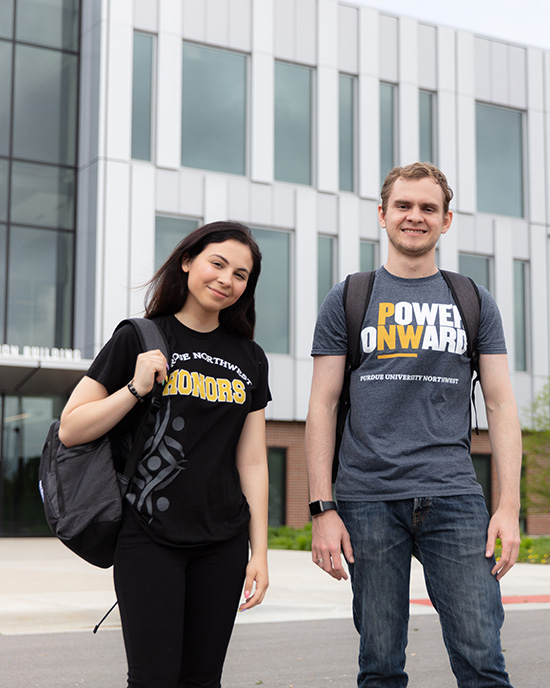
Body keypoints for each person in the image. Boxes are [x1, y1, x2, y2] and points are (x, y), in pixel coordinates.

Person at [305, 163, 522, 688]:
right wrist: (321, 509)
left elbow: (500, 404)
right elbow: (322, 407)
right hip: (368, 499)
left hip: (454, 496)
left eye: (429, 208)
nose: (415, 216)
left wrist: (510, 507)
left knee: (482, 659)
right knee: (379, 664)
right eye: (404, 205)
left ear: (446, 221)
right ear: (382, 215)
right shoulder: (349, 297)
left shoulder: (473, 299)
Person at [59, 221, 271, 688]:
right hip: (149, 536)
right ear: (187, 261)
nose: (227, 279)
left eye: (241, 275)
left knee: (203, 679)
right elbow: (72, 428)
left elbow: (253, 460)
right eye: (218, 263)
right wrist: (134, 388)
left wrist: (260, 551)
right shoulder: (139, 337)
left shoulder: (251, 357)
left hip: (224, 542)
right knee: (153, 678)